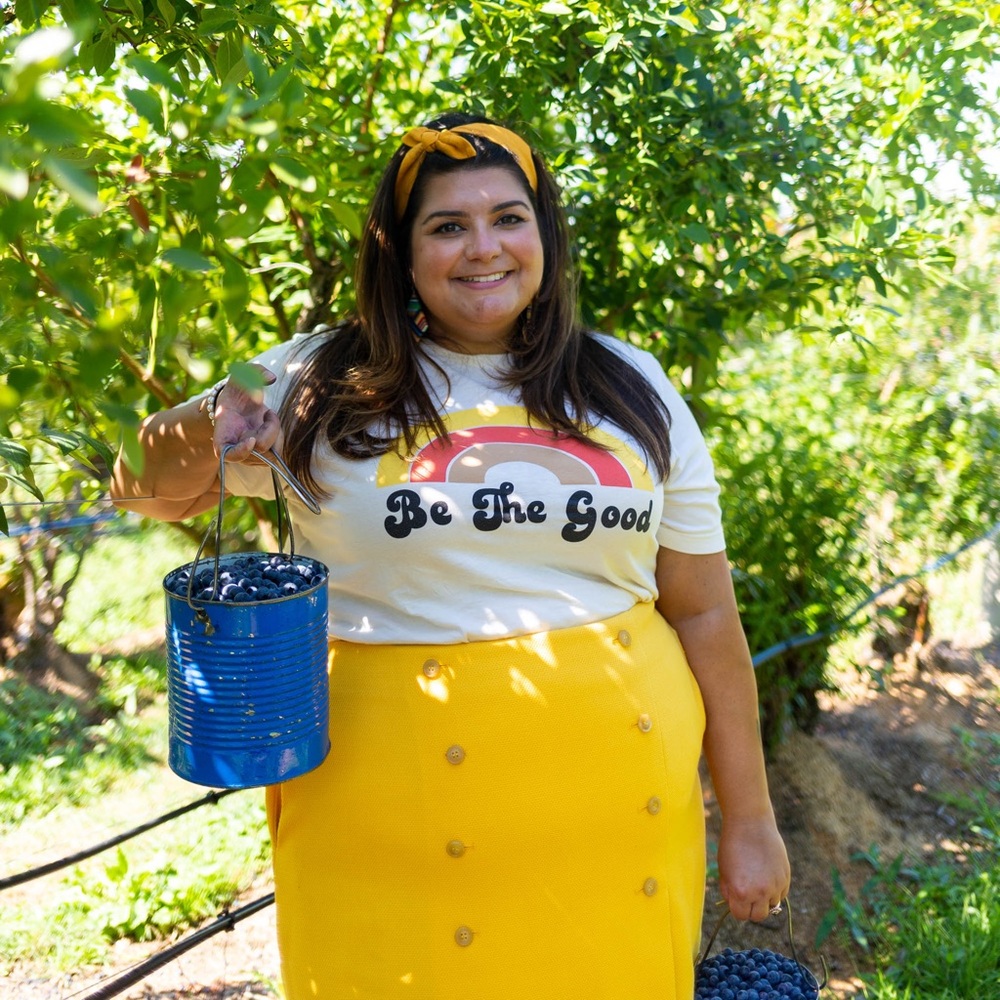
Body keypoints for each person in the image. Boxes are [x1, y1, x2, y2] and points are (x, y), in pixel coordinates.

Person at [111, 111, 790, 1000]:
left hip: (619, 817)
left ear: (544, 236)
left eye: (509, 218)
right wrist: (220, 408)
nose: (484, 248)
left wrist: (750, 817)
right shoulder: (312, 379)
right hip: (383, 823)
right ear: (400, 252)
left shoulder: (632, 385)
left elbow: (703, 612)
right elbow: (138, 482)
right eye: (447, 225)